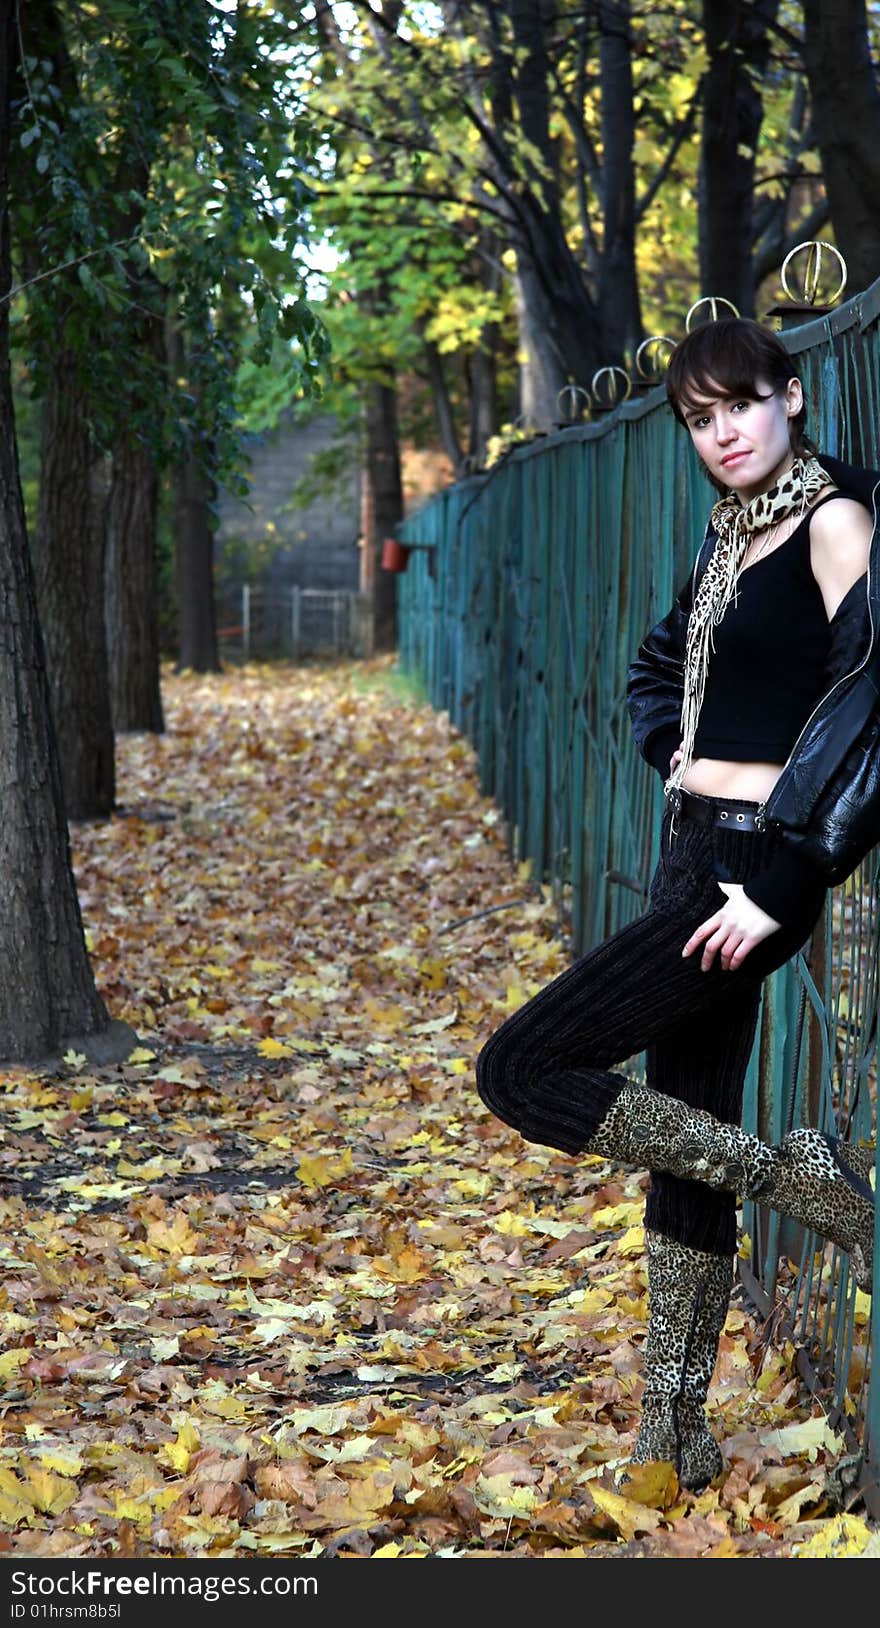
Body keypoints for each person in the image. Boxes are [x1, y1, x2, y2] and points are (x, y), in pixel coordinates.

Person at [475, 316, 878, 1493]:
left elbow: (869, 712)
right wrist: (676, 753)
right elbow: (659, 671)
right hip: (691, 844)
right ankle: (673, 1428)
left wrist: (785, 882)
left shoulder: (834, 523)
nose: (721, 434)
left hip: (753, 866)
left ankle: (790, 1174)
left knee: (520, 1068)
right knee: (679, 1136)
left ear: (790, 396)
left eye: (737, 405)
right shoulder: (729, 534)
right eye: (699, 421)